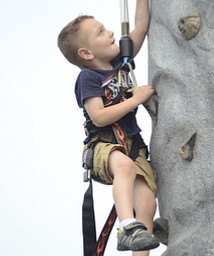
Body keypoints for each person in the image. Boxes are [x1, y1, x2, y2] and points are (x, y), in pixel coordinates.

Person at [57, 0, 159, 255]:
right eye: (101, 32)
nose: (111, 32)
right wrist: (135, 99)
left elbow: (142, 25)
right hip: (104, 145)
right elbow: (99, 116)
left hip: (132, 147)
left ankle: (140, 246)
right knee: (123, 167)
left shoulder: (121, 62)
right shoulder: (88, 78)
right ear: (86, 53)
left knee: (147, 202)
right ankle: (127, 227)